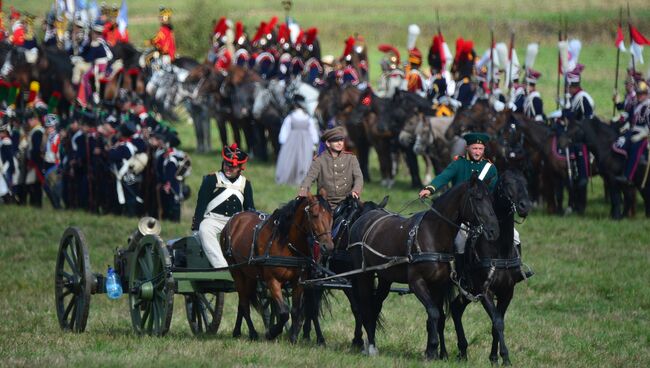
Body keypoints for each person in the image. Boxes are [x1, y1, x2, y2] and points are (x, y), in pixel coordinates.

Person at [192, 143, 254, 268]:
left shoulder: (245, 184)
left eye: (232, 167)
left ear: (240, 168)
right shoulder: (211, 180)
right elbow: (201, 204)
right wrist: (197, 225)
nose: (228, 169)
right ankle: (222, 267)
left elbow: (249, 208)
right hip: (213, 220)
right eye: (226, 164)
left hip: (235, 222)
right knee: (205, 228)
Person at [298, 126, 363, 209]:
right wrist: (303, 190)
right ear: (328, 143)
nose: (340, 143)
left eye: (341, 140)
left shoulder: (351, 158)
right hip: (326, 203)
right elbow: (310, 177)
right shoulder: (319, 160)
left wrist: (355, 190)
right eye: (336, 141)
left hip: (348, 201)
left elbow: (358, 177)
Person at [275, 95, 320, 185]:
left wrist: (283, 142)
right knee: (304, 159)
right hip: (306, 142)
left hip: (291, 141)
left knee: (289, 159)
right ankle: (302, 178)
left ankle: (289, 177)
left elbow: (284, 131)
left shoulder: (290, 117)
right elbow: (313, 132)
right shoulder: (308, 118)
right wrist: (314, 142)